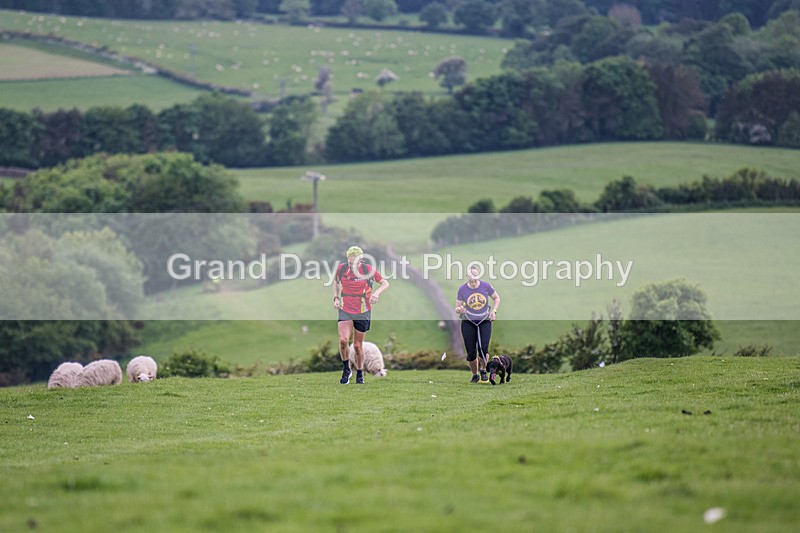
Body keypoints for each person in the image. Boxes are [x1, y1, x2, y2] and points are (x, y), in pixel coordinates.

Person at [333, 245, 389, 384]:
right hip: (345, 308)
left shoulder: (367, 270)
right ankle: (346, 369)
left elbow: (384, 282)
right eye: (350, 262)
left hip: (363, 310)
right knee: (343, 340)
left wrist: (376, 293)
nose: (352, 265)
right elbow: (335, 281)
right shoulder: (342, 268)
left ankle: (359, 373)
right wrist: (336, 298)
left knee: (358, 346)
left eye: (355, 262)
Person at [455, 264, 500, 383]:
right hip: (468, 321)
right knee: (471, 351)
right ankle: (475, 375)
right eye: (470, 275)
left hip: (484, 320)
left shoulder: (486, 286)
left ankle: (483, 369)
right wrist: (460, 310)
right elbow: (457, 307)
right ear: (466, 276)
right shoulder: (462, 289)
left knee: (483, 348)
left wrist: (494, 311)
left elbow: (496, 298)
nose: (472, 277)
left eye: (475, 274)